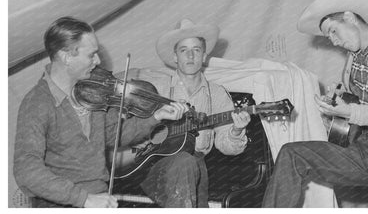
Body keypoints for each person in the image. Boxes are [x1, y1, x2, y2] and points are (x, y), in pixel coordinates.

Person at [13, 17, 188, 208]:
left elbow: (115, 135)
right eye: (91, 55)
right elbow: (26, 169)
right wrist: (83, 199)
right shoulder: (37, 103)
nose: (97, 61)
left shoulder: (94, 93)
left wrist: (156, 117)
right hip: (58, 203)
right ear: (66, 57)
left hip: (100, 197)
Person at [262, 0, 368, 208]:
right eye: (329, 38)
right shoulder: (354, 57)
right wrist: (337, 101)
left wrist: (350, 112)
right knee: (292, 154)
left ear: (349, 17)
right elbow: (356, 106)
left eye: (333, 31)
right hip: (363, 150)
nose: (334, 41)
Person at [131, 18, 251, 207]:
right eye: (183, 50)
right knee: (184, 162)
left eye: (196, 50)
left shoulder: (217, 94)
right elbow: (131, 129)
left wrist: (236, 130)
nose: (190, 56)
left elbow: (226, 148)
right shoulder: (158, 89)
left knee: (188, 161)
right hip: (153, 167)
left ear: (204, 56)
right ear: (175, 57)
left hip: (196, 168)